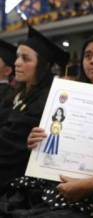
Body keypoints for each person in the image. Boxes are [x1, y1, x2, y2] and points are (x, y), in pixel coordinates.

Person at [0, 34, 93, 218]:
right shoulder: (69, 95)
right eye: (87, 55)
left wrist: (88, 186)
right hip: (45, 186)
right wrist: (37, 140)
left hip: (92, 198)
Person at [0, 25, 69, 194]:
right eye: (17, 57)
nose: (17, 63)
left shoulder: (48, 100)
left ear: (43, 65)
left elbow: (14, 145)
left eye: (26, 59)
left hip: (18, 178)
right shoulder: (18, 93)